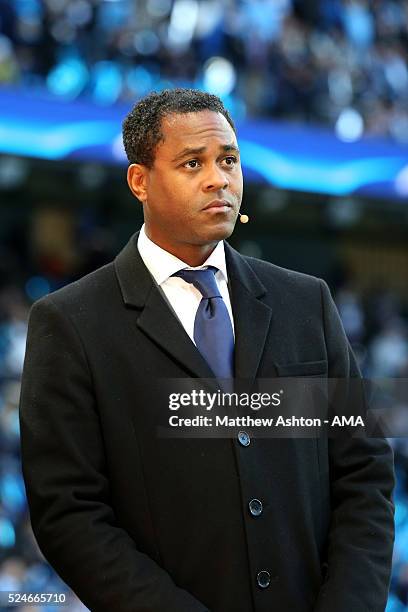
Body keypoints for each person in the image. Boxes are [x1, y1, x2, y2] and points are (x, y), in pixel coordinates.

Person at [19, 88, 395, 612]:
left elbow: (363, 473)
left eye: (229, 160)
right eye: (192, 163)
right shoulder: (70, 322)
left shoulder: (306, 302)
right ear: (139, 181)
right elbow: (70, 512)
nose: (219, 178)